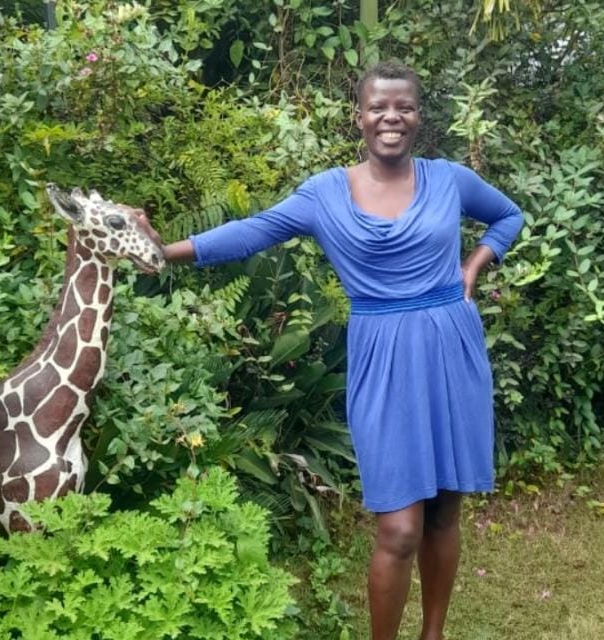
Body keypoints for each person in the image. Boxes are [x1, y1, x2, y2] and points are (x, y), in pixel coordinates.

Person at [134, 61, 523, 640]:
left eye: (404, 107)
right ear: (359, 116)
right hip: (383, 358)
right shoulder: (324, 194)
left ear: (419, 116)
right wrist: (166, 251)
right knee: (399, 528)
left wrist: (474, 264)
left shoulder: (449, 179)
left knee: (445, 509)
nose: (391, 117)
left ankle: (434, 633)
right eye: (378, 107)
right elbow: (252, 230)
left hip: (450, 348)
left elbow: (508, 215)